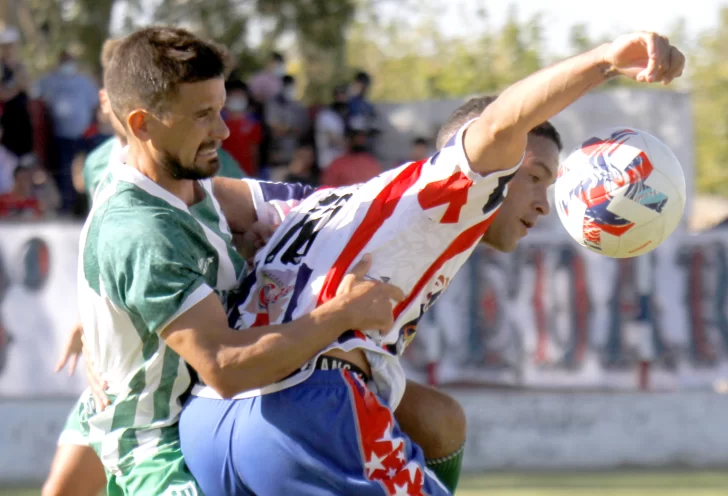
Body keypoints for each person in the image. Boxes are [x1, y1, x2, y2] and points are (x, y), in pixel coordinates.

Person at [179, 31, 685, 495]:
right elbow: (501, 120)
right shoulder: (446, 192)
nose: (543, 202)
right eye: (535, 175)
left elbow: (194, 194)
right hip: (305, 416)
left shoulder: (315, 202)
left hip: (210, 423)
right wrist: (605, 60)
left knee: (441, 422)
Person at [74, 26, 402, 496]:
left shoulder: (193, 188)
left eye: (221, 109)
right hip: (159, 456)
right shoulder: (139, 229)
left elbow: (314, 205)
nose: (223, 131)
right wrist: (342, 313)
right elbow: (224, 365)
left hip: (211, 417)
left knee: (433, 420)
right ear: (143, 124)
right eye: (203, 115)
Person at [37, 51, 99, 213]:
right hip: (61, 136)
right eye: (64, 61)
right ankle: (66, 207)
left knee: (87, 172)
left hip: (83, 136)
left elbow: (95, 106)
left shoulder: (84, 82)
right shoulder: (50, 80)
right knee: (64, 173)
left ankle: (88, 207)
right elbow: (36, 94)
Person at [0, 27, 33, 158]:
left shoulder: (20, 67)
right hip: (7, 122)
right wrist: (18, 87)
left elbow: (29, 89)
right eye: (6, 46)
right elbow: (3, 95)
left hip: (22, 120)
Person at [222, 79, 263, 177]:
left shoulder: (253, 124)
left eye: (240, 96)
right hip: (222, 174)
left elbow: (254, 152)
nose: (237, 99)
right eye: (234, 96)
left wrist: (254, 173)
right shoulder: (219, 122)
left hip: (246, 174)